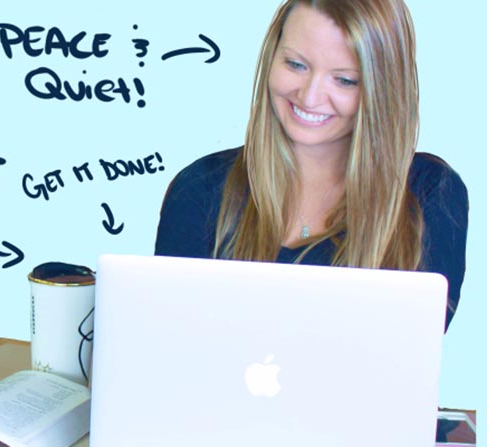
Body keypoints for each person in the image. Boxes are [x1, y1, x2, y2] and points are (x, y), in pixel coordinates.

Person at [154, 0, 468, 331]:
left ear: (383, 89)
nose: (310, 96)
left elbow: (410, 352)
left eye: (345, 80)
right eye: (295, 65)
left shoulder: (428, 192)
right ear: (272, 56)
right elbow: (170, 339)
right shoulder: (200, 187)